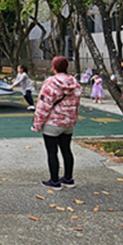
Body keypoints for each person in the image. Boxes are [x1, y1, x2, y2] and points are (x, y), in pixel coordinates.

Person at [31, 55, 82, 190]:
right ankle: (68, 179)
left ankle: (54, 181)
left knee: (52, 152)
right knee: (66, 150)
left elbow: (43, 105)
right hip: (69, 122)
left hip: (52, 123)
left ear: (53, 67)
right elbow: (76, 104)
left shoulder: (50, 83)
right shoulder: (75, 84)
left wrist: (37, 124)